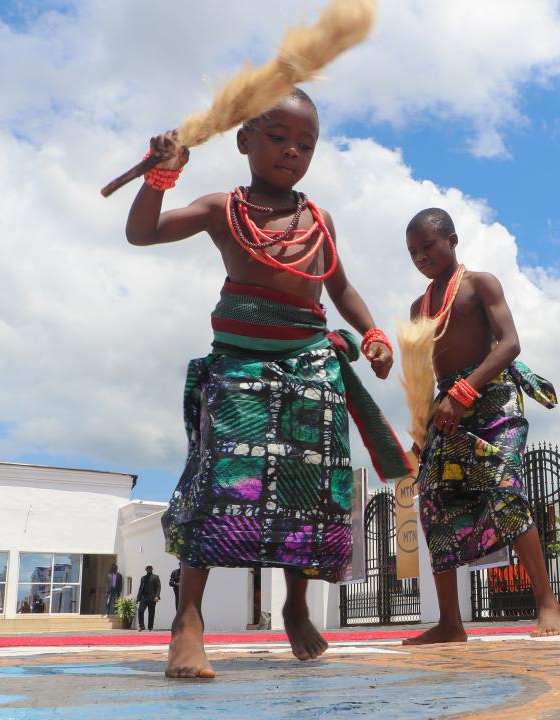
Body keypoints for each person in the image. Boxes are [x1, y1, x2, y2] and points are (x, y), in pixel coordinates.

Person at [125, 88, 412, 676]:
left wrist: (374, 333)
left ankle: (297, 606)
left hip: (311, 366)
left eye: (305, 144)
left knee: (307, 495)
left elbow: (341, 289)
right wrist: (159, 177)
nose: (291, 152)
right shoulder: (219, 208)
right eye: (277, 138)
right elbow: (143, 233)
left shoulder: (319, 218)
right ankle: (188, 621)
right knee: (218, 481)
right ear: (243, 141)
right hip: (239, 366)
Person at [401, 208, 560, 644]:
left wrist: (464, 393)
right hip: (446, 410)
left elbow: (510, 344)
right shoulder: (419, 306)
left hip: (492, 395)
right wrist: (422, 432)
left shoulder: (481, 284)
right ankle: (451, 623)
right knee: (434, 502)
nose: (421, 257)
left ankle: (548, 603)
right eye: (413, 252)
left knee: (504, 487)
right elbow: (423, 376)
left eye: (428, 247)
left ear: (452, 241)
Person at [137, 565, 161, 631]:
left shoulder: (156, 577)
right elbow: (140, 588)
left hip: (152, 597)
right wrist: (138, 597)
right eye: (148, 568)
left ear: (152, 569)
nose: (149, 569)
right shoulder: (143, 578)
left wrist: (157, 596)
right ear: (146, 569)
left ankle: (150, 627)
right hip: (144, 597)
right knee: (140, 611)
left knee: (151, 613)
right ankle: (141, 626)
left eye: (150, 568)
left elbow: (158, 587)